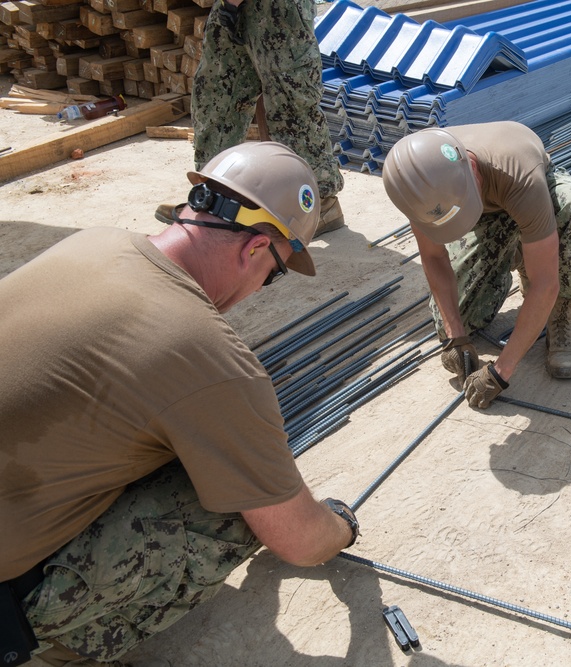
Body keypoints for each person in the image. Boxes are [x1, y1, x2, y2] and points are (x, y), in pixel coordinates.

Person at [0, 142, 360, 667]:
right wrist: (339, 527)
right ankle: (52, 646)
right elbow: (299, 541)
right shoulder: (208, 358)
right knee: (232, 505)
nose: (264, 287)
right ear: (255, 249)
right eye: (276, 272)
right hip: (9, 599)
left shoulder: (99, 242)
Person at [381, 122, 571, 408]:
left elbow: (545, 283)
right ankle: (512, 252)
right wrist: (456, 336)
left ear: (472, 169)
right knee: (457, 319)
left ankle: (561, 312)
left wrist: (501, 371)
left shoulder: (517, 175)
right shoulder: (418, 184)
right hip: (482, 208)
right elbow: (434, 256)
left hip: (525, 193)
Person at [172, 0, 345, 234]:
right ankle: (215, 196)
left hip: (277, 9)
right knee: (216, 97)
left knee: (291, 109)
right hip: (233, 5)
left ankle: (318, 206)